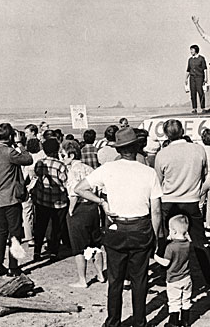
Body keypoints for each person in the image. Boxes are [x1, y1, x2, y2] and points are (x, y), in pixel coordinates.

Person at [74, 126, 162, 327]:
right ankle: (140, 321)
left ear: (118, 149)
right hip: (141, 228)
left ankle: (113, 321)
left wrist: (101, 202)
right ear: (137, 146)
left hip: (116, 228)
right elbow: (156, 211)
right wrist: (155, 237)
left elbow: (79, 189)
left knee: (115, 280)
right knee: (140, 280)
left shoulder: (107, 169)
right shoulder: (148, 172)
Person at [155, 119, 210, 288]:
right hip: (191, 200)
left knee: (164, 239)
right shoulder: (198, 149)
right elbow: (205, 173)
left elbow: (158, 180)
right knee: (200, 242)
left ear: (165, 134)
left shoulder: (162, 154)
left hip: (168, 200)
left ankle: (165, 274)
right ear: (182, 131)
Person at [0, 124, 33, 276]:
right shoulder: (9, 152)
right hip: (11, 198)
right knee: (15, 232)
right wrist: (20, 144)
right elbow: (28, 159)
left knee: (1, 232)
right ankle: (13, 267)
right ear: (9, 137)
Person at [61, 140, 104, 288]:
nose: (62, 158)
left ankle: (82, 279)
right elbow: (98, 188)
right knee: (95, 242)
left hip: (79, 208)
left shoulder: (73, 171)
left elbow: (74, 193)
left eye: (64, 155)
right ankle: (100, 273)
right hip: (92, 208)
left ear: (71, 155)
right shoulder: (89, 168)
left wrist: (70, 210)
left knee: (79, 246)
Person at [32, 139, 69, 262]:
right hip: (58, 201)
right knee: (57, 227)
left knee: (40, 226)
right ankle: (54, 251)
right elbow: (65, 182)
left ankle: (37, 251)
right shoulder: (60, 165)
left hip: (42, 199)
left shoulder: (39, 163)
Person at [154, 215, 192, 327]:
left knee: (174, 301)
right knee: (186, 300)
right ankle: (185, 321)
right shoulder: (188, 244)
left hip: (173, 279)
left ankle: (173, 322)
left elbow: (165, 263)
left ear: (174, 231)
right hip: (186, 277)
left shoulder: (171, 247)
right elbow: (187, 238)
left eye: (170, 230)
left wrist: (155, 256)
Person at [185, 44, 207, 114]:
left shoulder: (201, 58)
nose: (191, 51)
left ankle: (203, 107)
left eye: (192, 49)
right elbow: (188, 70)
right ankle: (194, 108)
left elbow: (205, 69)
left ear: (196, 50)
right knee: (193, 93)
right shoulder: (190, 60)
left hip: (199, 77)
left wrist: (206, 78)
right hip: (192, 78)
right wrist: (186, 78)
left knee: (200, 92)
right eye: (190, 50)